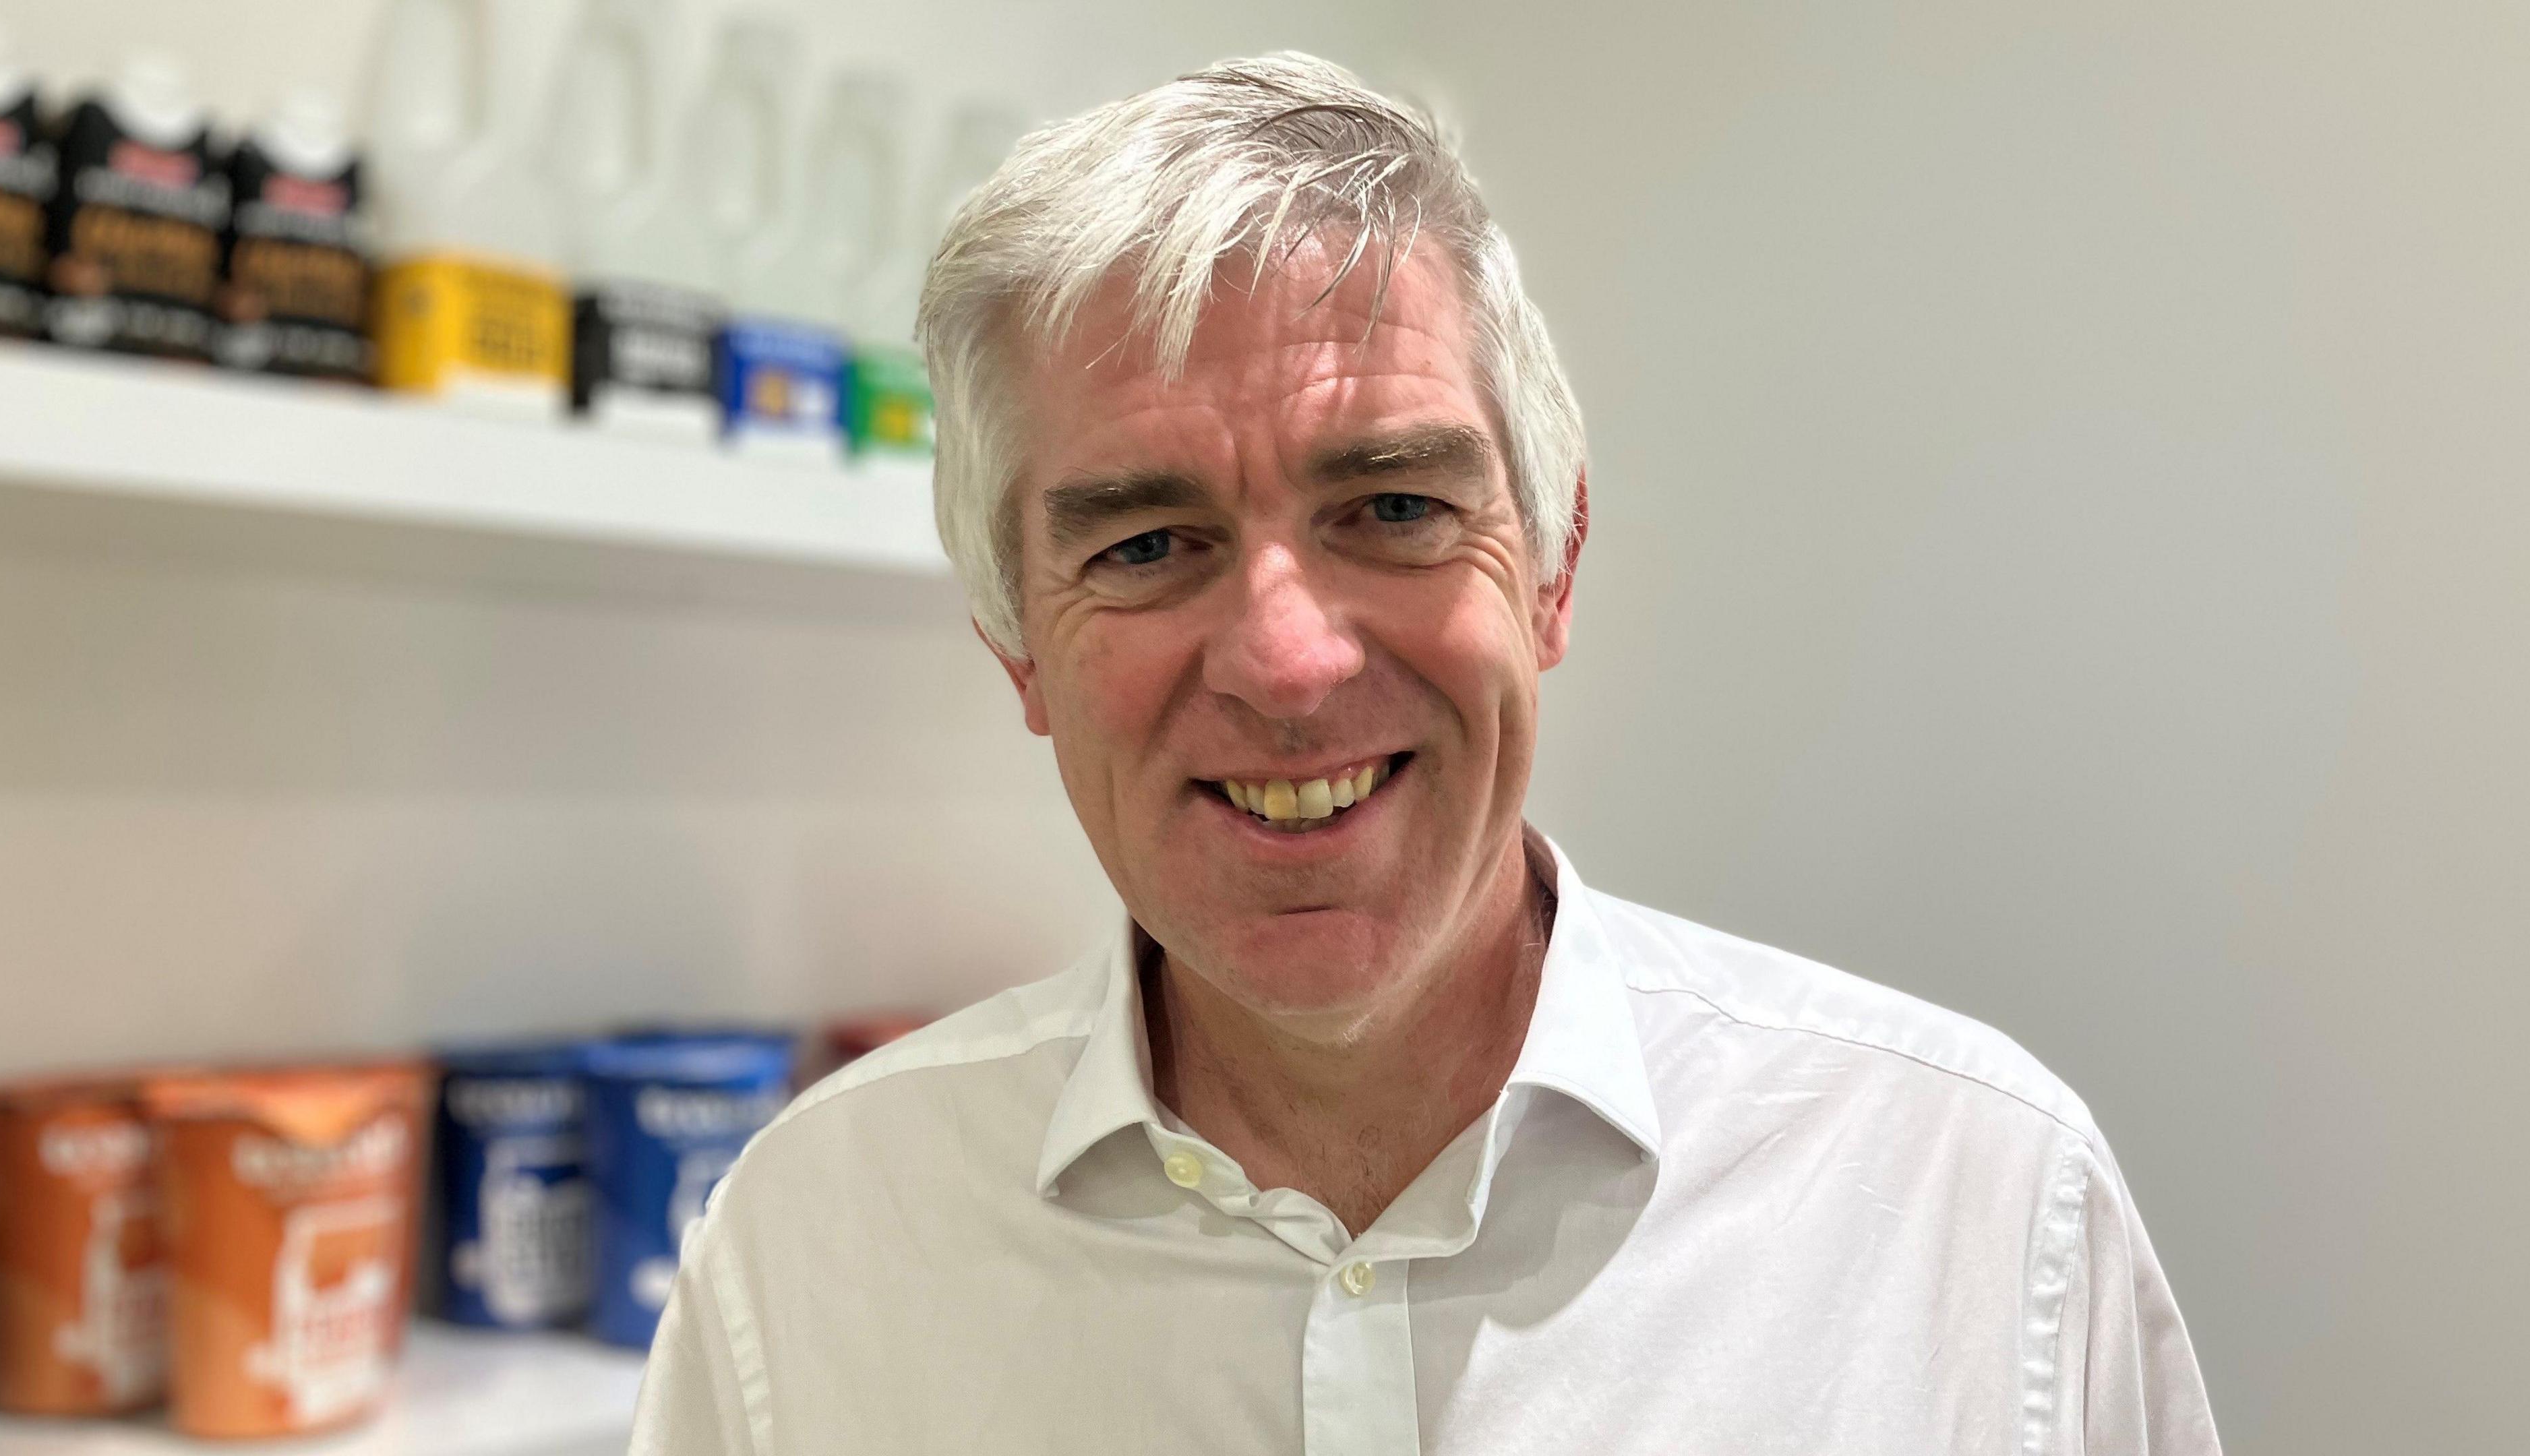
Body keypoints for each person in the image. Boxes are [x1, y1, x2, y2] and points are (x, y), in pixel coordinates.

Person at [629, 53, 2220, 1455]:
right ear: (1016, 646)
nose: (1288, 661)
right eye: (1147, 544)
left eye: (1393, 509)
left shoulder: (1985, 1212)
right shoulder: (813, 1253)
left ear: (1552, 572)